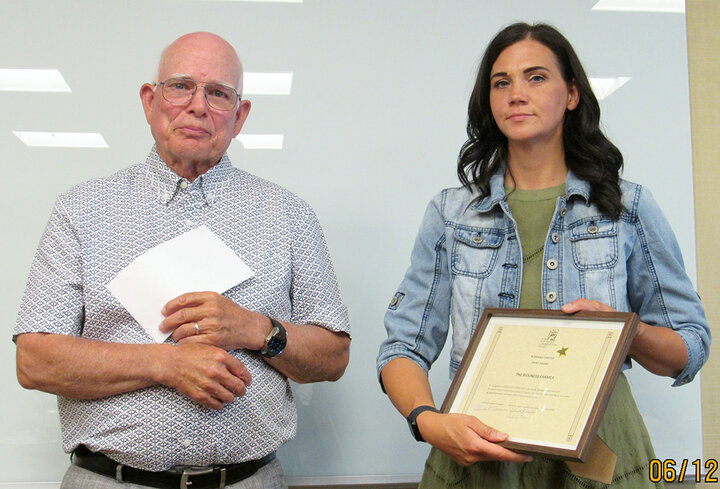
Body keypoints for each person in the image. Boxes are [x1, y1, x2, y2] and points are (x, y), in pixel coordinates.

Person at [377, 22, 710, 489]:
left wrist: (623, 332)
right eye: (502, 82)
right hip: (478, 459)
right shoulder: (450, 213)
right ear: (489, 101)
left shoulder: (627, 207)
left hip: (599, 458)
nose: (517, 94)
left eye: (536, 77)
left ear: (571, 95)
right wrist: (428, 421)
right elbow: (402, 347)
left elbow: (690, 345)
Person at [14, 32, 350, 489]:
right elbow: (35, 361)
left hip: (250, 481)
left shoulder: (287, 213)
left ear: (240, 114)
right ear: (150, 101)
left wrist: (256, 330)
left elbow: (332, 357)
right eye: (180, 86)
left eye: (217, 93)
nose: (197, 106)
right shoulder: (83, 209)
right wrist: (167, 365)